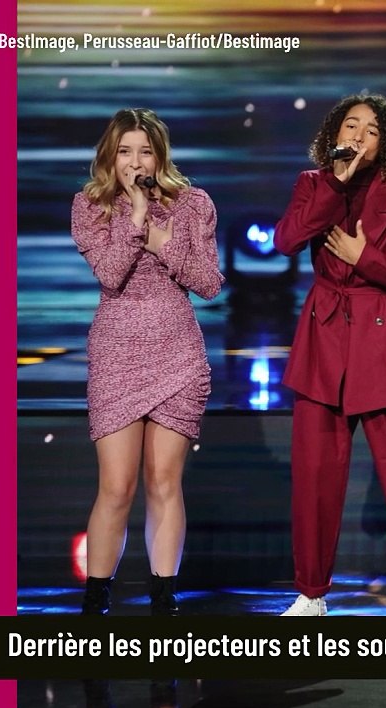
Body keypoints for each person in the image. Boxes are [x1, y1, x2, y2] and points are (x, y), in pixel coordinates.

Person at [273, 94, 386, 617]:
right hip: (322, 341)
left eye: (370, 130)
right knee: (314, 478)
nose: (357, 135)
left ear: (385, 144)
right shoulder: (312, 185)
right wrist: (333, 181)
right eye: (350, 125)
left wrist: (365, 257)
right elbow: (286, 240)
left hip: (382, 344)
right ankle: (310, 593)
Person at [71, 108, 224, 616]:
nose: (136, 162)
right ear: (109, 157)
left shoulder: (194, 204)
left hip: (177, 351)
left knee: (164, 480)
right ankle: (97, 601)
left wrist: (160, 235)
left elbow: (208, 282)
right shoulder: (89, 206)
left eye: (145, 151)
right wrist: (135, 218)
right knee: (117, 486)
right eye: (125, 151)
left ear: (160, 156)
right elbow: (111, 275)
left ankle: (164, 600)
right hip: (116, 350)